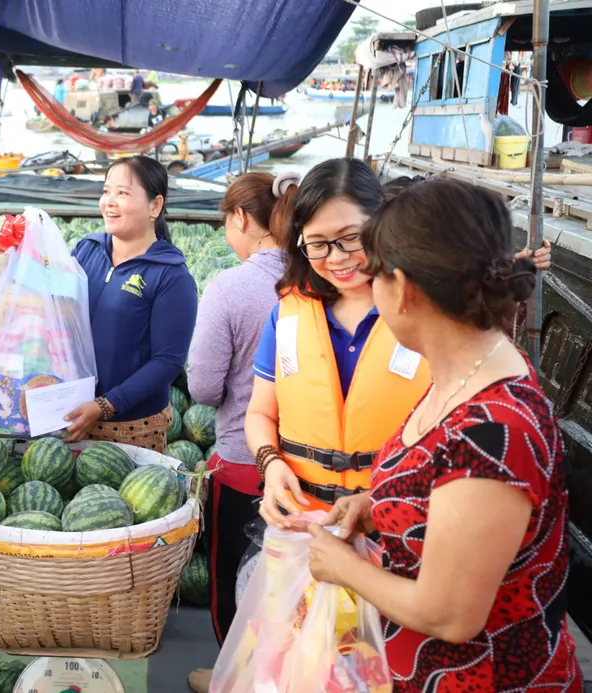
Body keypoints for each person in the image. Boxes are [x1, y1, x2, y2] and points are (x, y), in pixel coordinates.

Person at [306, 178, 581, 691]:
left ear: (404, 288)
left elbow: (451, 615)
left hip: (478, 676)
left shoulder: (495, 429)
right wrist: (378, 505)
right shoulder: (468, 371)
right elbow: (447, 494)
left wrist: (342, 566)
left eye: (375, 275)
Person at [247, 159, 553, 533]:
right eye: (318, 244)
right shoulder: (288, 313)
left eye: (350, 238)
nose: (337, 257)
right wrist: (270, 462)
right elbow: (260, 411)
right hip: (303, 521)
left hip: (402, 529)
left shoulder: (431, 316)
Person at [183, 172, 297, 693]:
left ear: (240, 219)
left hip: (246, 462)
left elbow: (203, 388)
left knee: (236, 583)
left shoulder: (229, 286)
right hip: (315, 469)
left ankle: (234, 679)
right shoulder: (317, 278)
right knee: (295, 591)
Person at [64, 155, 197, 450]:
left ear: (155, 206)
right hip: (71, 413)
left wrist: (106, 404)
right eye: (106, 191)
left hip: (132, 426)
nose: (109, 201)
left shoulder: (171, 275)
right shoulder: (86, 251)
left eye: (122, 193)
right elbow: (56, 313)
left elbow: (167, 362)